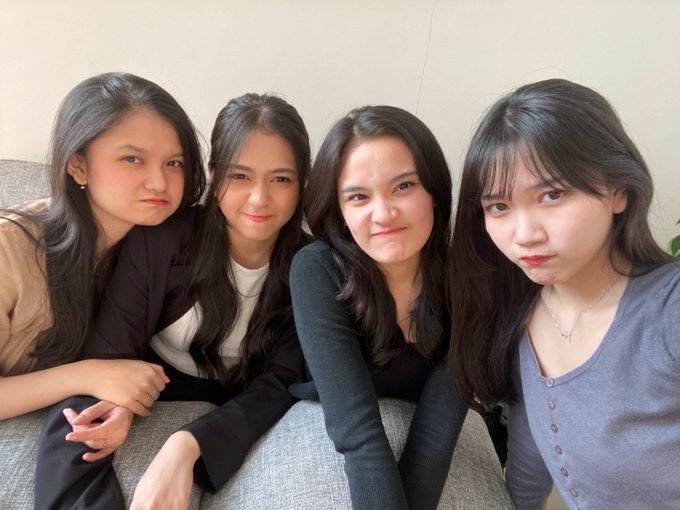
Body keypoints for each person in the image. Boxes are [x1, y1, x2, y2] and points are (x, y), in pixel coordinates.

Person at [35, 93, 310, 510]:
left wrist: (187, 443)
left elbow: (279, 384)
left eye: (281, 179)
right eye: (239, 176)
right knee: (76, 421)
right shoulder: (161, 239)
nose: (259, 198)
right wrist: (124, 403)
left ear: (302, 184)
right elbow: (111, 355)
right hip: (152, 382)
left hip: (240, 402)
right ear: (214, 174)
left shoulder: (310, 267)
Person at [447, 78, 680, 509]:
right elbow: (527, 467)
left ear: (618, 191)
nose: (524, 235)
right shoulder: (519, 316)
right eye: (499, 206)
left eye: (552, 195)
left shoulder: (668, 309)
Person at [289, 105, 467, 510]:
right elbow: (359, 434)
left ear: (434, 192)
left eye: (403, 186)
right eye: (359, 196)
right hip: (331, 417)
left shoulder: (466, 276)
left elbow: (437, 436)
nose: (384, 214)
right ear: (340, 210)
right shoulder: (317, 270)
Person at [0, 72, 205, 423]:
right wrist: (84, 375)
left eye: (174, 163)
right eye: (133, 159)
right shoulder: (9, 248)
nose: (159, 182)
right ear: (78, 165)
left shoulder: (165, 249)